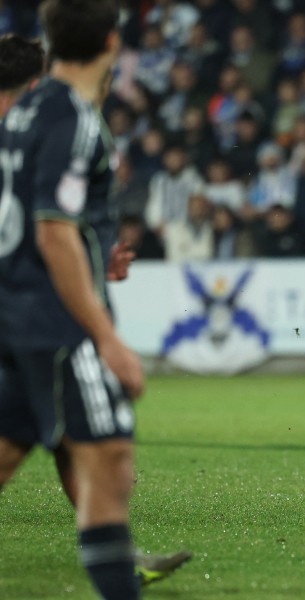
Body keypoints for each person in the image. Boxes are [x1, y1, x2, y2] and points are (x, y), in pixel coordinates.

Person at [0, 30, 190, 588]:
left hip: (27, 314)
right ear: (36, 84)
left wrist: (89, 260)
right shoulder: (41, 130)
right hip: (32, 320)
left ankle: (118, 550)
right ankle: (117, 556)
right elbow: (41, 231)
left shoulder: (27, 135)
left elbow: (34, 232)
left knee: (56, 442)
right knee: (99, 447)